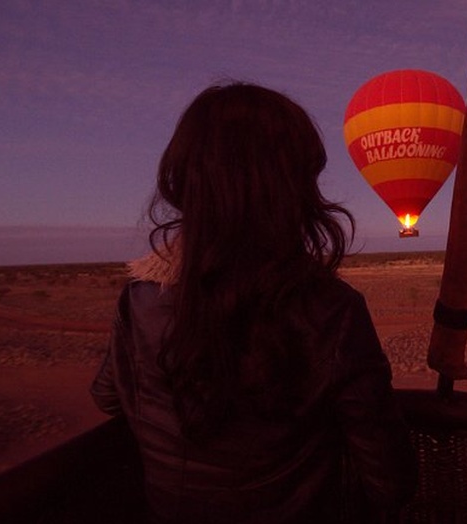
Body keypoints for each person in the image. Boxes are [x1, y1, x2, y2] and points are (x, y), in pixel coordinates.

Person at [91, 82, 417, 523]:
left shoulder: (143, 297)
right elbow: (390, 478)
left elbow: (109, 397)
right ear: (292, 191)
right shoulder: (332, 310)